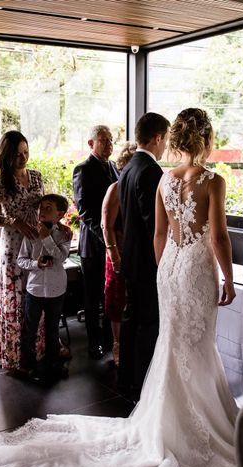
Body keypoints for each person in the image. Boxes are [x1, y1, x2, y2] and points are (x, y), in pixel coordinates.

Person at [0, 109, 238, 467]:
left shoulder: (166, 179)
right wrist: (228, 279)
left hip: (169, 267)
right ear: (205, 138)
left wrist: (164, 272)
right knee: (196, 342)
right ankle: (198, 422)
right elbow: (218, 237)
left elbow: (159, 235)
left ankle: (168, 419)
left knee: (172, 343)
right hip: (196, 269)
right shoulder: (212, 180)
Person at [117, 112, 170, 400]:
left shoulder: (128, 167)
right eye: (166, 139)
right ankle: (142, 385)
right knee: (148, 323)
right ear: (158, 137)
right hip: (148, 260)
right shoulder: (151, 172)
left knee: (131, 320)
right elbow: (154, 224)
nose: (166, 146)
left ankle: (125, 379)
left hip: (131, 257)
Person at [0, 131, 45, 370]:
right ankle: (16, 353)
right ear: (7, 155)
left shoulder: (37, 177)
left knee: (36, 294)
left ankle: (37, 348)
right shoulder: (0, 181)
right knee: (17, 296)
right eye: (18, 154)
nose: (23, 158)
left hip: (35, 241)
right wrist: (13, 221)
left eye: (26, 152)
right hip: (13, 244)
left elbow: (44, 207)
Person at [72, 125, 118, 360]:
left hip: (113, 243)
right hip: (93, 244)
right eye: (104, 140)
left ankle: (111, 340)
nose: (109, 144)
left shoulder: (113, 166)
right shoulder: (83, 169)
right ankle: (94, 343)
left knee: (110, 294)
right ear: (91, 143)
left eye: (111, 140)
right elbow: (85, 211)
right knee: (92, 297)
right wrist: (105, 236)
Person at [17, 194, 71, 382]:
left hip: (57, 288)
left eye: (48, 208)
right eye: (41, 207)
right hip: (35, 288)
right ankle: (26, 366)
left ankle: (53, 365)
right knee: (29, 329)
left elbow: (62, 258)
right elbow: (21, 260)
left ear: (60, 214)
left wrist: (47, 239)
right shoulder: (30, 234)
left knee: (52, 329)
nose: (42, 211)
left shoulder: (65, 234)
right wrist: (35, 264)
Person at [100, 141, 137, 367]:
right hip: (118, 252)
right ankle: (117, 344)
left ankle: (133, 343)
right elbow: (106, 226)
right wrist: (115, 255)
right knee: (116, 300)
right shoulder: (115, 188)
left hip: (137, 253)